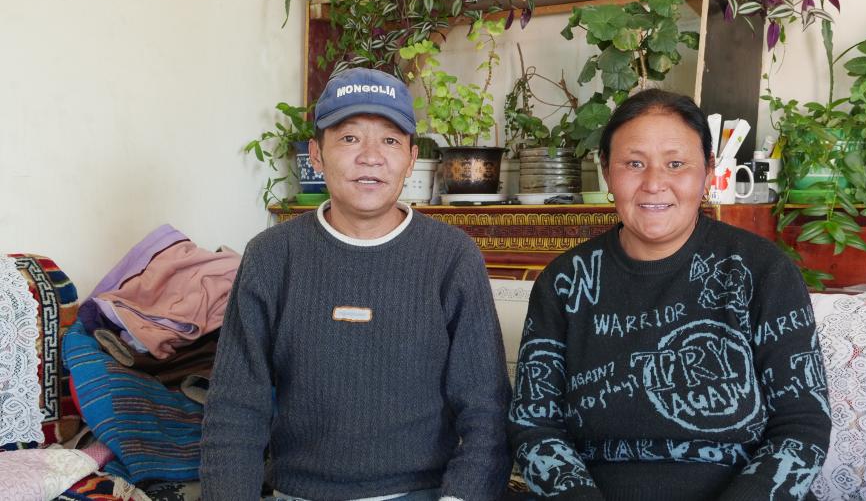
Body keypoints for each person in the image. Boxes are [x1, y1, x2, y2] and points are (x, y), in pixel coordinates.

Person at [201, 67, 512, 501]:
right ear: (316, 154)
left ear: (411, 157)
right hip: (299, 492)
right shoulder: (272, 256)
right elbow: (235, 408)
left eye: (390, 141)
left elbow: (488, 411)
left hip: (421, 493)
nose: (371, 157)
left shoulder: (451, 256)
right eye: (349, 138)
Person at [507, 90, 831, 500]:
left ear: (708, 172)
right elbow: (534, 425)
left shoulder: (761, 270)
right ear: (607, 171)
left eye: (675, 164)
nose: (654, 183)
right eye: (634, 164)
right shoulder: (566, 280)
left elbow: (802, 425)